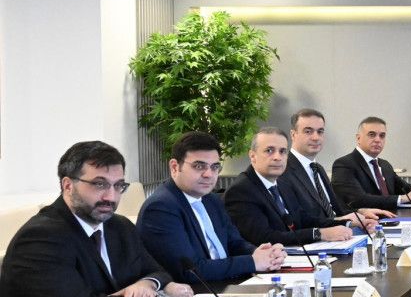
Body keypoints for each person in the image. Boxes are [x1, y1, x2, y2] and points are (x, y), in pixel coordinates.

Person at [0, 141, 192, 297]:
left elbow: (158, 272)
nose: (111, 197)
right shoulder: (41, 238)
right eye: (99, 184)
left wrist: (145, 284)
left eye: (118, 186)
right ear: (68, 185)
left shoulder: (119, 226)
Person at [138, 132, 286, 284]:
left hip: (227, 284)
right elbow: (191, 272)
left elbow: (234, 243)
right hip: (198, 291)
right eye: (199, 166)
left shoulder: (211, 200)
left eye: (215, 167)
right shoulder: (160, 208)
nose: (208, 174)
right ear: (175, 167)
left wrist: (261, 253)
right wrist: (252, 262)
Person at [224, 127, 359, 247]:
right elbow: (263, 237)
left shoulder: (282, 184)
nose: (277, 157)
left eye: (282, 151)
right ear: (253, 156)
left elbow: (303, 219)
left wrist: (347, 223)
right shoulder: (242, 190)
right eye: (269, 150)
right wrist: (319, 234)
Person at [279, 108, 388, 227]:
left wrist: (360, 212)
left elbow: (334, 211)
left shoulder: (317, 168)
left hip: (340, 232)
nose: (316, 137)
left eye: (320, 132)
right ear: (293, 135)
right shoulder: (283, 170)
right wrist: (343, 221)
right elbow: (299, 220)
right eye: (308, 131)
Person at [332, 116, 411, 210]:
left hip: (393, 217)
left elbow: (407, 189)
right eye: (372, 135)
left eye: (382, 136)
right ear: (358, 138)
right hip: (366, 220)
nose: (378, 140)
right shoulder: (344, 164)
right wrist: (404, 198)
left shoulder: (385, 165)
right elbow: (358, 200)